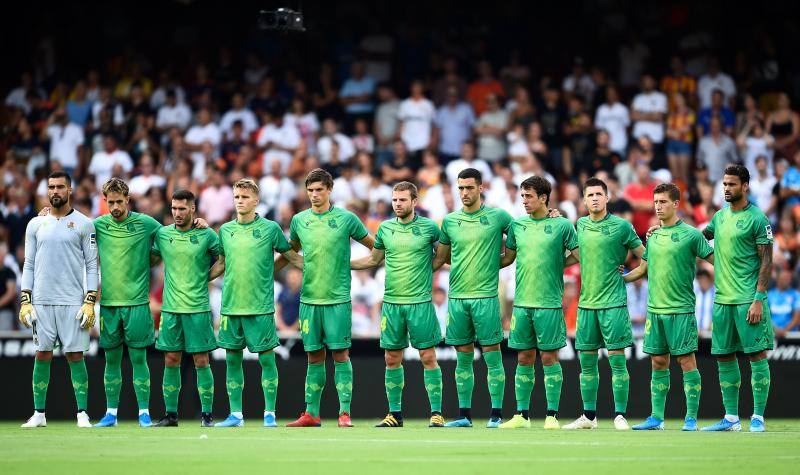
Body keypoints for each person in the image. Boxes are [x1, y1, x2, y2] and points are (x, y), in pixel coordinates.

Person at [280, 169, 374, 427]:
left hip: (337, 300)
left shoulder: (346, 219)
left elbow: (375, 248)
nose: (314, 195)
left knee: (341, 355)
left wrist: (352, 265)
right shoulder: (300, 220)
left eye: (319, 190)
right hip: (309, 300)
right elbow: (291, 251)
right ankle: (311, 414)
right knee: (313, 356)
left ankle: (344, 413)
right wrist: (290, 264)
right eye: (310, 190)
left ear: (329, 190)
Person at [208, 179, 303, 428]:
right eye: (237, 196)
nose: (240, 201)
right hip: (231, 305)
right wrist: (199, 280)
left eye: (245, 197)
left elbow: (290, 254)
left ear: (256, 200)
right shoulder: (225, 230)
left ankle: (269, 414)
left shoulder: (270, 228)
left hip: (260, 306)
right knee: (232, 360)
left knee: (267, 360)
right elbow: (220, 262)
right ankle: (236, 415)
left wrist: (312, 264)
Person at [351, 182, 445, 428]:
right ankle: (395, 414)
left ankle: (436, 413)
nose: (397, 204)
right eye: (394, 200)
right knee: (391, 358)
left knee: (428, 356)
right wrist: (346, 263)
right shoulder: (385, 229)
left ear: (414, 201)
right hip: (392, 303)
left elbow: (444, 257)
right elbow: (374, 258)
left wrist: (428, 269)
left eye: (402, 200)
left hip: (421, 303)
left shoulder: (429, 228)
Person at [624, 183, 714, 431]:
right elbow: (642, 269)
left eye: (663, 201)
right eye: (655, 202)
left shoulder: (692, 235)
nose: (658, 206)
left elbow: (714, 260)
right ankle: (656, 418)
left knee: (687, 362)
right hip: (655, 311)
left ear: (676, 204)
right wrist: (619, 279)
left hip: (681, 310)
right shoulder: (652, 237)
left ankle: (691, 418)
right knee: (658, 363)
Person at [432, 168, 513, 428]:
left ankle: (496, 415)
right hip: (457, 298)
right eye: (461, 188)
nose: (464, 193)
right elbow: (441, 258)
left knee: (492, 354)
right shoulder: (450, 221)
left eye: (469, 187)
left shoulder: (498, 216)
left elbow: (522, 235)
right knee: (463, 356)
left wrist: (494, 264)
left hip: (486, 297)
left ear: (481, 188)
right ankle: (464, 416)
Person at [562, 177, 645, 431]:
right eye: (590, 195)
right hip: (586, 306)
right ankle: (589, 417)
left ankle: (620, 415)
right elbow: (576, 257)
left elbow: (647, 258)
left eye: (599, 194)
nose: (595, 198)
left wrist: (626, 278)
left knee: (617, 361)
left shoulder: (622, 226)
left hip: (614, 305)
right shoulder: (580, 225)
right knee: (586, 363)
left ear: (607, 198)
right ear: (584, 200)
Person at [498, 176, 579, 430]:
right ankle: (522, 415)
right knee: (523, 357)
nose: (524, 201)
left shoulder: (562, 225)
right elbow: (507, 258)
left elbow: (578, 254)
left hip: (549, 303)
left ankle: (552, 415)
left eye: (529, 196)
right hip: (522, 303)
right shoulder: (517, 226)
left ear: (543, 197)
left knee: (548, 358)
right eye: (522, 196)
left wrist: (557, 263)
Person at [20, 171, 98, 428]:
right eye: (51, 187)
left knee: (75, 355)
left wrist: (89, 300)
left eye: (60, 187)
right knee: (42, 354)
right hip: (41, 301)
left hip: (73, 300)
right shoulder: (35, 224)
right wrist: (25, 299)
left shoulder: (85, 224)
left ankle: (83, 413)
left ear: (70, 190)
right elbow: (29, 264)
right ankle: (39, 414)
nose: (55, 191)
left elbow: (91, 265)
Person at [699, 165, 774, 432]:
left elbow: (767, 262)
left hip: (747, 299)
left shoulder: (758, 219)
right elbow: (699, 237)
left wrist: (758, 298)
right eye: (725, 184)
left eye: (732, 184)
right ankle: (731, 418)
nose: (727, 188)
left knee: (756, 355)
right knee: (724, 357)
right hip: (722, 300)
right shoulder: (719, 218)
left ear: (745, 186)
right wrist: (663, 229)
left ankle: (757, 417)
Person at [92, 179, 163, 428]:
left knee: (138, 360)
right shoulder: (98, 225)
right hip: (109, 305)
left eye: (119, 202)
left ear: (127, 199)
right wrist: (48, 214)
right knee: (111, 360)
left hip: (138, 304)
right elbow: (71, 231)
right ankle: (111, 414)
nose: (114, 207)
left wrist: (152, 258)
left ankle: (144, 412)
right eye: (110, 202)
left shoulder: (145, 223)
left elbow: (170, 237)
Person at [151, 190, 220, 428]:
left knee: (202, 360)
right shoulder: (163, 234)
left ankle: (207, 416)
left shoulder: (207, 234)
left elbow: (223, 258)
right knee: (171, 359)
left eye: (182, 209)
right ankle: (171, 415)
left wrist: (205, 277)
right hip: (170, 309)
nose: (177, 213)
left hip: (198, 308)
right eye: (174, 208)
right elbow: (151, 258)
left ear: (192, 209)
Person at [767, 268, 800, 337]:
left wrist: (785, 330)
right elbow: (766, 316)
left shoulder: (795, 295)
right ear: (778, 280)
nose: (788, 281)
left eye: (789, 279)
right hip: (772, 335)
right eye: (785, 278)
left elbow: (797, 317)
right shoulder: (770, 295)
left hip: (791, 335)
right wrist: (775, 329)